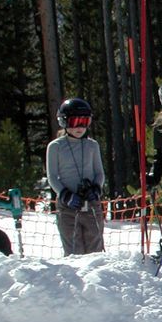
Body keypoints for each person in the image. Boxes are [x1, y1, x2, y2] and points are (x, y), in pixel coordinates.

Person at [46, 98, 105, 255]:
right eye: (75, 121)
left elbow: (99, 173)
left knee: (95, 248)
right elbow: (52, 176)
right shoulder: (55, 147)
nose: (80, 127)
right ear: (64, 122)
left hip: (91, 204)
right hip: (68, 207)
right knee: (73, 249)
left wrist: (96, 189)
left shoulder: (92, 145)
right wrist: (65, 195)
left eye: (84, 122)